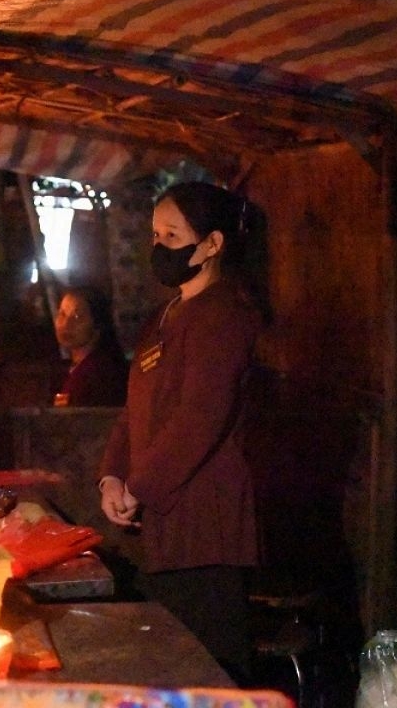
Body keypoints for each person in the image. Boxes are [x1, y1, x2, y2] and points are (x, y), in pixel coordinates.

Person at [97, 180, 264, 682]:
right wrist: (111, 475)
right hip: (163, 519)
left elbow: (200, 418)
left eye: (172, 236)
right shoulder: (166, 314)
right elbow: (135, 408)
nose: (158, 248)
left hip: (206, 523)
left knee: (210, 667)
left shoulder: (224, 315)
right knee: (169, 666)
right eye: (155, 235)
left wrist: (139, 487)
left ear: (212, 243)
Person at [52, 285, 128, 407]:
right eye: (62, 314)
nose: (66, 324)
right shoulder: (78, 367)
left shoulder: (99, 373)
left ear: (98, 324)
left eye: (78, 317)